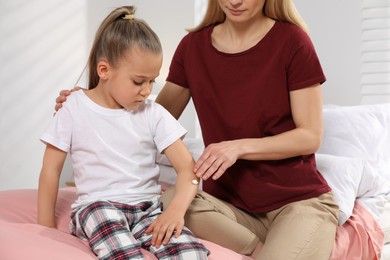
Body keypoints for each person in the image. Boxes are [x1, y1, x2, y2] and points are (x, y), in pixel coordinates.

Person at [55, 1, 339, 259]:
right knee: (169, 199)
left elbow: (310, 136)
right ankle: (265, 246)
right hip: (227, 208)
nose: (234, 2)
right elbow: (149, 117)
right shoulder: (193, 47)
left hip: (297, 202)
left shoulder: (292, 42)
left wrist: (238, 147)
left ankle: (281, 242)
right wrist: (95, 101)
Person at [38, 6, 209, 260]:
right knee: (121, 249)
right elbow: (51, 170)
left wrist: (174, 211)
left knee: (191, 254)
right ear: (104, 71)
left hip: (147, 210)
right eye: (139, 81)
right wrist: (45, 228)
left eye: (152, 81)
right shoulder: (73, 108)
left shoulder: (154, 113)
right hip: (97, 208)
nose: (146, 90)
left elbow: (188, 169)